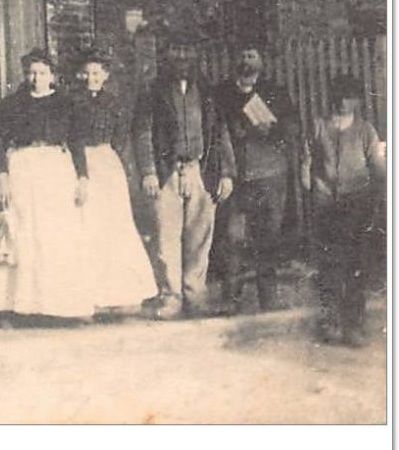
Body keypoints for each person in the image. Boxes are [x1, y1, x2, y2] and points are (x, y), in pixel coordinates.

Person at [0, 49, 93, 322]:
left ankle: (61, 307)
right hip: (22, 169)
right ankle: (13, 306)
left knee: (55, 235)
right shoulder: (12, 104)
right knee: (20, 233)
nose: (35, 78)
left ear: (52, 75)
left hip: (55, 171)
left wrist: (83, 178)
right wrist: (2, 176)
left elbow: (76, 144)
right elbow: (0, 144)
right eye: (31, 73)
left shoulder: (67, 104)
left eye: (41, 73)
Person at [134, 33, 234, 320]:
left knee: (200, 236)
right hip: (167, 173)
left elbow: (220, 132)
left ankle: (194, 296)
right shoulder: (152, 91)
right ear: (167, 55)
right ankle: (171, 297)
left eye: (187, 50)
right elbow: (142, 133)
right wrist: (149, 171)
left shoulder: (208, 92)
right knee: (166, 237)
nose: (182, 57)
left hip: (201, 170)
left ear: (195, 55)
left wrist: (226, 172)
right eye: (176, 49)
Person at [209, 41, 300, 312]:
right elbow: (214, 130)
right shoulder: (221, 94)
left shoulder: (275, 92)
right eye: (243, 55)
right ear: (234, 60)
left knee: (268, 238)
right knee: (232, 238)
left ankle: (268, 298)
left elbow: (292, 126)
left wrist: (272, 129)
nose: (247, 60)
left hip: (270, 175)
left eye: (253, 54)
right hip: (235, 176)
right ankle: (229, 299)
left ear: (261, 61)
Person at [70, 48, 157, 313]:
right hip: (79, 162)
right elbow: (72, 136)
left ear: (105, 75)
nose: (90, 78)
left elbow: (121, 137)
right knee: (85, 224)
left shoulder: (114, 103)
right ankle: (89, 294)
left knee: (113, 225)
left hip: (106, 163)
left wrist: (111, 157)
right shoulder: (72, 102)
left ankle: (119, 292)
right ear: (80, 74)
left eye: (96, 73)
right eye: (86, 73)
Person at [305, 74, 385, 346]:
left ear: (358, 101)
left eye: (349, 96)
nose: (343, 102)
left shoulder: (366, 131)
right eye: (339, 96)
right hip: (327, 203)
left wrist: (373, 199)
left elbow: (378, 169)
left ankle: (354, 324)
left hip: (357, 206)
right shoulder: (320, 127)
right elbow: (310, 163)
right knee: (329, 264)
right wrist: (317, 189)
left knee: (355, 264)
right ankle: (331, 321)